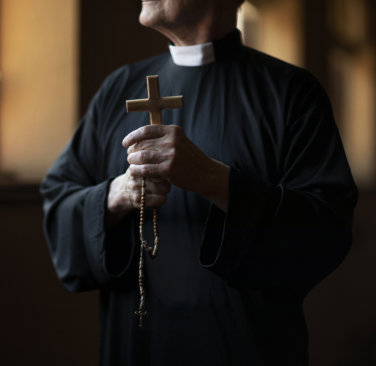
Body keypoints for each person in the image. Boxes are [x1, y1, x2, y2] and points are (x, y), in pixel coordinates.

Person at [40, 0, 358, 364]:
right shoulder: (118, 89)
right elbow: (59, 202)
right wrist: (116, 194)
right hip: (137, 345)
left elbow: (325, 228)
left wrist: (214, 180)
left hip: (244, 346)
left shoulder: (291, 93)